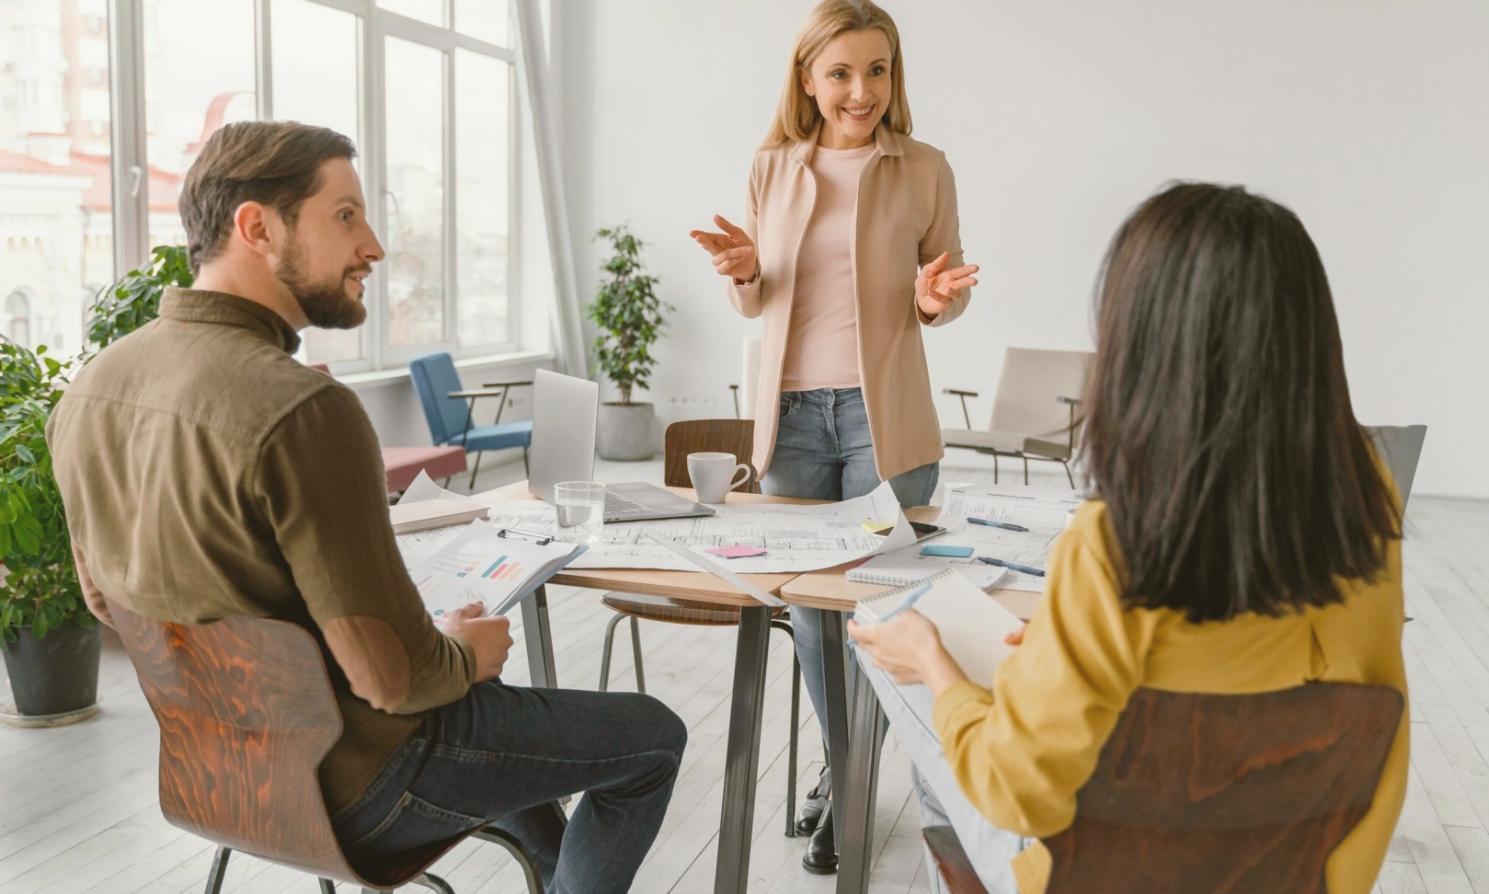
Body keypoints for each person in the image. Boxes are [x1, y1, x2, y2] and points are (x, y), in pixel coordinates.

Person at [47, 121, 686, 894]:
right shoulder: (303, 409)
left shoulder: (89, 390)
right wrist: (461, 655)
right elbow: (395, 683)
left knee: (496, 718)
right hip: (362, 785)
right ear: (257, 227)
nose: (374, 246)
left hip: (220, 781)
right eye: (345, 215)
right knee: (652, 736)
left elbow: (108, 604)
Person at [850, 181, 1407, 893]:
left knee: (887, 642)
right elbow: (1373, 718)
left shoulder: (1114, 541)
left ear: (1143, 343)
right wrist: (1068, 641)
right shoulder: (1362, 497)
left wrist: (933, 663)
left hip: (1098, 878)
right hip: (1298, 876)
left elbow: (1019, 791)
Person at [689, 0, 978, 870]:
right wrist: (745, 273)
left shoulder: (924, 167)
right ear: (807, 80)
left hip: (883, 419)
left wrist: (935, 299)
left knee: (886, 608)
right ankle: (844, 770)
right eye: (841, 73)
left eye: (876, 70)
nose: (861, 91)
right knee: (814, 618)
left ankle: (880, 782)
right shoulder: (771, 167)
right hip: (794, 422)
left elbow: (945, 288)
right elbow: (755, 296)